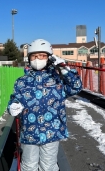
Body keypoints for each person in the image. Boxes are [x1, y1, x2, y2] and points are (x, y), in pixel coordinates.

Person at [7, 39, 82, 171]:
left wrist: (65, 69)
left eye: (42, 55)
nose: (38, 59)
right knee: (28, 166)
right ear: (29, 58)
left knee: (48, 166)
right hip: (29, 132)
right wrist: (13, 105)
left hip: (52, 131)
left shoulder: (57, 79)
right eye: (34, 56)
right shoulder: (22, 82)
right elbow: (15, 98)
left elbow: (75, 87)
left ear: (49, 58)